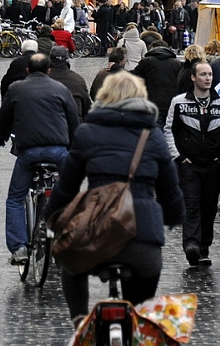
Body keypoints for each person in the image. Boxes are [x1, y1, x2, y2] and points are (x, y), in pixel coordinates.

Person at [45, 72, 184, 324]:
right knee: (141, 301)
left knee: (70, 265)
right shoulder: (152, 135)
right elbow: (170, 189)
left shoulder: (87, 132)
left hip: (96, 234)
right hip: (143, 236)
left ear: (104, 98)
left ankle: (79, 320)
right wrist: (174, 216)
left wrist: (50, 215)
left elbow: (67, 187)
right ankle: (137, 326)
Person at [0, 52, 79, 265]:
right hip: (59, 151)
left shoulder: (16, 89)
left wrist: (1, 137)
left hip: (29, 152)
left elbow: (4, 117)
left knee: (15, 198)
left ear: (27, 70)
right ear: (49, 71)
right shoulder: (61, 89)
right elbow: (73, 120)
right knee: (69, 195)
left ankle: (19, 248)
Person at [163, 61, 220, 266]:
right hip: (189, 164)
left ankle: (204, 246)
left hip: (214, 164)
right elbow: (169, 129)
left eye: (210, 74)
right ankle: (191, 246)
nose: (208, 78)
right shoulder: (178, 102)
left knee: (209, 206)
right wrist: (178, 156)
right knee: (191, 204)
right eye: (203, 74)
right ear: (193, 77)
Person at [132, 35, 182, 125]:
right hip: (171, 104)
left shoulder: (147, 62)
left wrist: (116, 69)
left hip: (152, 103)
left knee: (155, 132)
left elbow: (133, 76)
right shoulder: (177, 63)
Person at [48, 45, 91, 121]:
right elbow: (87, 107)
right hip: (74, 126)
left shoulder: (44, 79)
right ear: (67, 60)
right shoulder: (78, 80)